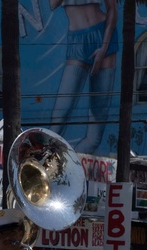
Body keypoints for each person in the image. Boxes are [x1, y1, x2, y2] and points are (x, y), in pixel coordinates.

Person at [48, 0, 118, 154]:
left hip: (103, 35)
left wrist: (104, 47)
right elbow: (52, 4)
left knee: (96, 129)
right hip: (78, 40)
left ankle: (74, 167)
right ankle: (46, 161)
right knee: (60, 113)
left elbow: (112, 8)